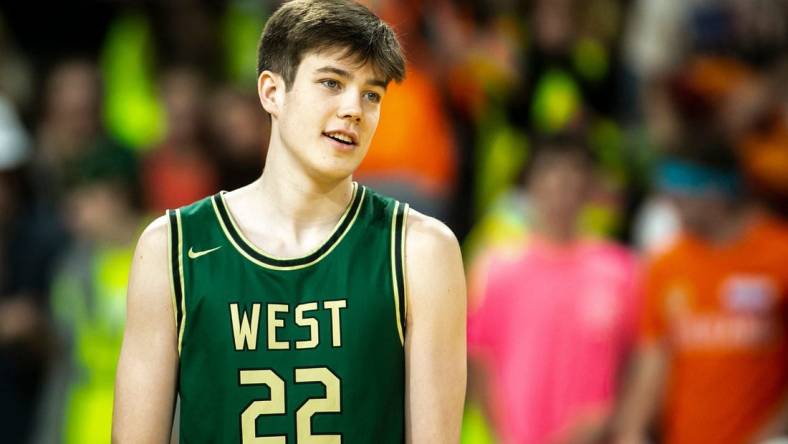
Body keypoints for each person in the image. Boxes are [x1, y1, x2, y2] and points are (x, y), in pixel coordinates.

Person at [112, 1, 467, 443]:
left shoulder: (420, 250)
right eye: (331, 83)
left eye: (371, 94)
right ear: (271, 92)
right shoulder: (172, 247)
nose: (354, 109)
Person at [467, 134, 641, 444]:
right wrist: (500, 431)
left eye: (574, 174)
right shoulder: (497, 269)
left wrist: (616, 420)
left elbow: (639, 358)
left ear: (589, 187)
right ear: (530, 184)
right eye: (550, 173)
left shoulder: (620, 271)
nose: (561, 186)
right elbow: (479, 359)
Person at [613, 139, 788, 444]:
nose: (671, 207)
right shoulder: (666, 265)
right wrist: (633, 429)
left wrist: (768, 436)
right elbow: (653, 361)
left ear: (715, 192)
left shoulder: (780, 256)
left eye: (680, 197)